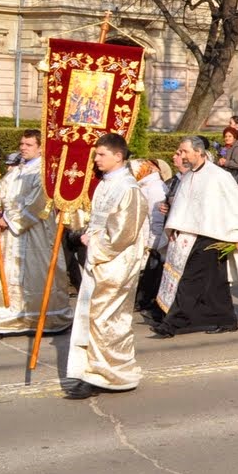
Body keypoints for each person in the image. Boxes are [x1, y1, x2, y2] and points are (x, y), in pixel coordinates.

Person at [63, 134, 149, 398]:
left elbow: (124, 233)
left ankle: (108, 374)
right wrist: (84, 233)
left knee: (106, 319)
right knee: (94, 316)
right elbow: (98, 219)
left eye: (101, 154)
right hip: (99, 258)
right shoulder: (105, 184)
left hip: (116, 263)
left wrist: (94, 241)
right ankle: (94, 371)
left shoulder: (129, 189)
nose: (96, 159)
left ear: (118, 156)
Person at [154, 136, 238, 338]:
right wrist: (174, 229)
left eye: (185, 151)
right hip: (190, 236)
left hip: (214, 235)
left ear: (198, 152)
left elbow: (236, 205)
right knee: (215, 282)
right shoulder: (187, 176)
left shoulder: (219, 176)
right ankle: (227, 319)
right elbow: (183, 207)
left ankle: (172, 324)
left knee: (189, 279)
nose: (182, 155)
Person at [0, 130, 72, 337]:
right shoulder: (17, 171)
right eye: (22, 144)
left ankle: (46, 318)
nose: (23, 148)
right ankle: (6, 317)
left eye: (29, 145)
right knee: (11, 273)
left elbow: (38, 203)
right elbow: (2, 194)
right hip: (13, 238)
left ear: (41, 147)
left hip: (37, 234)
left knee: (37, 275)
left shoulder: (44, 172)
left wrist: (10, 219)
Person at [130, 158, 171, 328]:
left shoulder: (155, 187)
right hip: (145, 235)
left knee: (152, 272)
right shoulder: (144, 185)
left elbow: (157, 218)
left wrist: (154, 241)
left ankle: (147, 300)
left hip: (153, 238)